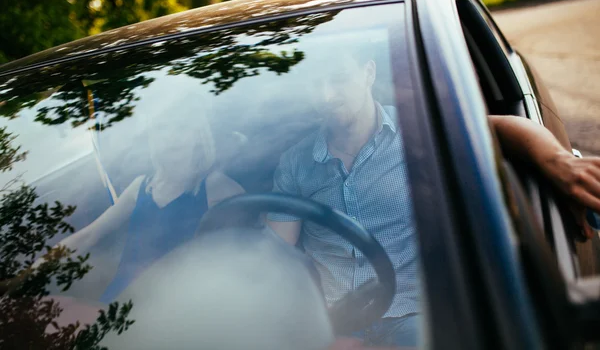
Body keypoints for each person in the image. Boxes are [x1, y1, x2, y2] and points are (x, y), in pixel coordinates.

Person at [266, 48, 600, 348]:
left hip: (419, 320)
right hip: (333, 327)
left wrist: (561, 162)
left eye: (338, 79)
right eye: (314, 84)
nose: (325, 95)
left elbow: (502, 128)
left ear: (368, 73)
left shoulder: (419, 131)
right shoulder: (295, 164)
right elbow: (277, 259)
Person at [58, 92, 244, 302]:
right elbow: (89, 235)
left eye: (182, 127)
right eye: (162, 127)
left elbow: (255, 241)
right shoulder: (141, 187)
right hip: (120, 303)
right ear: (151, 136)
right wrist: (33, 271)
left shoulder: (215, 186)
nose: (172, 137)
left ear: (198, 135)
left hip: (176, 309)